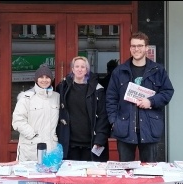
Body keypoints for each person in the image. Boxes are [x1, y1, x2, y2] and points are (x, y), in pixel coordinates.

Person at [106, 31, 174, 163]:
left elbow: (168, 92)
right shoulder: (119, 71)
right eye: (133, 46)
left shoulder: (158, 70)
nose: (136, 49)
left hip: (149, 128)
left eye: (140, 46)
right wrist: (114, 122)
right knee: (126, 171)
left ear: (146, 48)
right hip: (124, 128)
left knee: (150, 172)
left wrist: (151, 101)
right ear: (130, 48)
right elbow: (111, 98)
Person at [56, 56, 110, 162]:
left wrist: (100, 139)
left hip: (90, 144)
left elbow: (103, 116)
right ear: (72, 69)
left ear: (87, 70)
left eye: (83, 67)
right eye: (77, 66)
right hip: (70, 144)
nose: (79, 69)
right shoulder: (63, 87)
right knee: (71, 176)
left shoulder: (97, 90)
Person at [12, 64, 60, 162]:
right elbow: (18, 121)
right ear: (36, 79)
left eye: (47, 77)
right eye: (41, 77)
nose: (44, 80)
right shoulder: (26, 98)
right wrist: (32, 135)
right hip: (31, 148)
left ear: (51, 79)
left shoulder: (57, 97)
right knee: (31, 176)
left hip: (51, 148)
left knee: (49, 175)